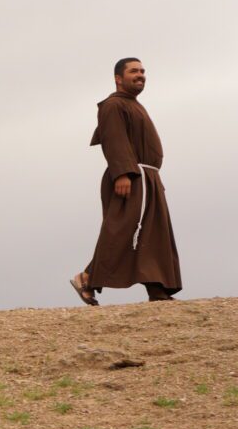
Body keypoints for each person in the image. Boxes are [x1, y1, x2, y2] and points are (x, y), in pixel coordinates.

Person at [71, 58, 181, 305]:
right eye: (134, 71)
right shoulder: (112, 105)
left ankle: (158, 289)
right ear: (118, 78)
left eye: (142, 71)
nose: (140, 75)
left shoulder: (134, 105)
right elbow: (114, 139)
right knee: (122, 230)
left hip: (147, 177)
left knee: (154, 233)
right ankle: (87, 277)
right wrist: (122, 173)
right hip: (130, 176)